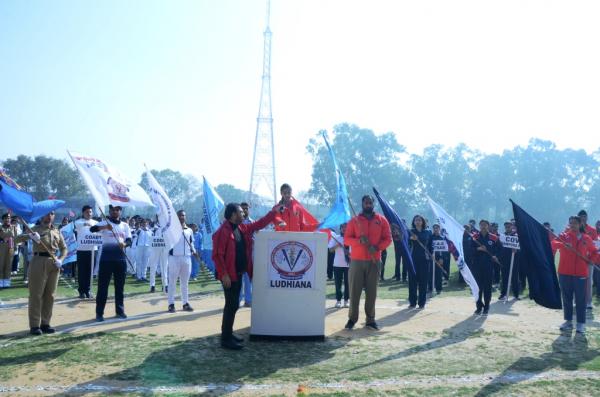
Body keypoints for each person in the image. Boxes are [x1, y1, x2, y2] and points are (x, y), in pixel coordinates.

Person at [212, 203, 278, 349]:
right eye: (241, 212)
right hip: (230, 276)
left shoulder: (242, 227)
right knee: (231, 305)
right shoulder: (222, 231)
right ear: (233, 215)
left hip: (239, 273)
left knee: (234, 305)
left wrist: (273, 213)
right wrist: (224, 275)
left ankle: (228, 334)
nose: (243, 214)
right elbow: (217, 255)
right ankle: (226, 339)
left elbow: (259, 223)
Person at [343, 195, 392, 330]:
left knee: (372, 292)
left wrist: (377, 247)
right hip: (357, 261)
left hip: (374, 260)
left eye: (370, 203)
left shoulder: (381, 220)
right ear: (362, 204)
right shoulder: (354, 221)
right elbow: (346, 240)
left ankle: (370, 319)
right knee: (354, 291)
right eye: (366, 203)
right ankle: (352, 319)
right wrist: (358, 241)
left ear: (373, 204)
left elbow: (388, 239)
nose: (368, 205)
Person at [16, 211, 67, 335]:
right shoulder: (34, 229)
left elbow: (64, 248)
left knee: (50, 295)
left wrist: (61, 259)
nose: (49, 216)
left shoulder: (57, 231)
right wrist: (30, 236)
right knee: (36, 295)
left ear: (54, 216)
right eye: (46, 214)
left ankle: (45, 323)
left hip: (54, 263)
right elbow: (17, 239)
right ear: (42, 215)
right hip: (38, 261)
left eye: (52, 214)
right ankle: (34, 325)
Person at [552, 215, 600, 334]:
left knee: (580, 299)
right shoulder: (564, 236)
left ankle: (581, 323)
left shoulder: (586, 238)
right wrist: (564, 245)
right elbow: (553, 244)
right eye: (570, 223)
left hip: (581, 273)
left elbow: (595, 252)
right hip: (564, 272)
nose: (572, 225)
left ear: (580, 224)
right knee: (567, 298)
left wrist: (591, 261)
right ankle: (568, 321)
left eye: (574, 223)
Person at [90, 205, 132, 322]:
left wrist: (124, 244)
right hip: (106, 260)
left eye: (117, 209)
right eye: (113, 210)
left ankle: (120, 311)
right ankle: (99, 313)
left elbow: (129, 240)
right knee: (103, 287)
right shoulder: (105, 222)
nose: (115, 211)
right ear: (110, 211)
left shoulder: (125, 225)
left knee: (120, 287)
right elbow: (92, 229)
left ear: (120, 211)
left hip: (120, 260)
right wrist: (104, 227)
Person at [167, 210, 196, 313]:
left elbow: (191, 243)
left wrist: (194, 252)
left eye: (183, 215)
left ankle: (185, 303)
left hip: (187, 258)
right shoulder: (171, 229)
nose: (182, 217)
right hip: (174, 257)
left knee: (185, 283)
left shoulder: (189, 230)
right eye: (180, 215)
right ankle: (171, 304)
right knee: (172, 282)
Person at [471, 220, 500, 315]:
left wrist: (496, 256)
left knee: (487, 287)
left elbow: (500, 249)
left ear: (488, 226)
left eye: (485, 225)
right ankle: (479, 306)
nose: (483, 226)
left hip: (488, 266)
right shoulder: (475, 237)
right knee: (477, 287)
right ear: (479, 226)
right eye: (481, 225)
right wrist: (477, 248)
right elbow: (468, 249)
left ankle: (487, 306)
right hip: (477, 266)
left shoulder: (494, 238)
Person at [74, 205, 98, 299]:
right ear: (83, 213)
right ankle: (81, 291)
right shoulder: (78, 222)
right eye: (87, 212)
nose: (89, 214)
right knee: (82, 271)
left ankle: (88, 290)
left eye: (90, 212)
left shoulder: (96, 222)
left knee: (90, 271)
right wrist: (87, 224)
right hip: (81, 249)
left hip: (93, 250)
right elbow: (77, 226)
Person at [408, 215, 431, 309]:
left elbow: (430, 245)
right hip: (413, 259)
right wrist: (410, 239)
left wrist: (432, 254)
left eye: (419, 220)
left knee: (423, 281)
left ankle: (422, 303)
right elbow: (405, 243)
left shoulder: (428, 232)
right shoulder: (410, 232)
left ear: (423, 222)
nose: (418, 222)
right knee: (412, 281)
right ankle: (412, 302)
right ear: (413, 222)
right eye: (416, 220)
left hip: (424, 259)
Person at [577, 210, 598, 311]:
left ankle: (588, 302)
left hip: (589, 260)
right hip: (577, 259)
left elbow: (595, 245)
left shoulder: (592, 230)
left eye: (584, 216)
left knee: (589, 280)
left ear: (587, 217)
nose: (583, 218)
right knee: (576, 280)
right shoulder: (573, 228)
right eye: (581, 216)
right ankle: (576, 300)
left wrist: (592, 258)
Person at [498, 221, 520, 301]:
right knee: (504, 277)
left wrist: (516, 250)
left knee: (514, 277)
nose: (507, 228)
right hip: (504, 259)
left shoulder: (516, 236)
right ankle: (503, 294)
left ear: (512, 226)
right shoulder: (502, 236)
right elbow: (499, 247)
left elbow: (520, 247)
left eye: (509, 226)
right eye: (506, 226)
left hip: (514, 259)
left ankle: (516, 294)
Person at [329, 223, 350, 308]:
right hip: (337, 264)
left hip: (349, 264)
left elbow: (355, 250)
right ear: (340, 228)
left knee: (348, 283)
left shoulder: (351, 238)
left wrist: (348, 252)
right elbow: (330, 250)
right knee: (338, 283)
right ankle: (338, 300)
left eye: (346, 227)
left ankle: (346, 300)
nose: (344, 229)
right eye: (343, 228)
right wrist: (337, 245)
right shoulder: (336, 238)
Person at [239, 202, 254, 307]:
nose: (244, 210)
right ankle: (238, 300)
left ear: (249, 209)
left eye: (246, 208)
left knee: (248, 278)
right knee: (239, 278)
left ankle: (248, 300)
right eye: (242, 209)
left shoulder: (253, 222)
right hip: (239, 253)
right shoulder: (236, 222)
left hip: (250, 253)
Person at [148, 222, 168, 293]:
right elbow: (150, 236)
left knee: (164, 268)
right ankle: (152, 286)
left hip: (164, 248)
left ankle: (165, 285)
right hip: (155, 248)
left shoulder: (167, 226)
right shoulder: (154, 227)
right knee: (153, 267)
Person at [427, 224, 446, 295]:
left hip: (439, 258)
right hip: (432, 257)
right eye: (434, 228)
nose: (435, 229)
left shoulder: (442, 238)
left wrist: (442, 258)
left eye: (437, 228)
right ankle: (430, 288)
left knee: (439, 273)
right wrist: (430, 255)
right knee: (430, 273)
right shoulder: (430, 237)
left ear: (439, 229)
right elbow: (428, 247)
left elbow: (444, 249)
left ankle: (439, 289)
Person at [0, 213, 18, 288]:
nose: (8, 219)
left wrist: (16, 248)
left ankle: (7, 281)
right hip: (2, 246)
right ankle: (1, 281)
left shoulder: (13, 227)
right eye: (6, 218)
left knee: (9, 264)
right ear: (3, 219)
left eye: (9, 218)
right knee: (1, 264)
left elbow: (16, 238)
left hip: (11, 247)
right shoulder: (0, 227)